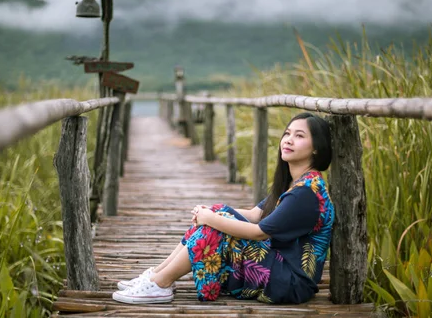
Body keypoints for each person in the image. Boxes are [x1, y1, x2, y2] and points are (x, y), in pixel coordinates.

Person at [112, 112, 335, 304]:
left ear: (317, 148)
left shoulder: (306, 192)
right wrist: (211, 212)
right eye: (287, 133)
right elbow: (257, 214)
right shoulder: (296, 182)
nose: (288, 140)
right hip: (279, 269)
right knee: (219, 212)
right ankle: (156, 276)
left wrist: (211, 219)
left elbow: (259, 232)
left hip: (290, 283)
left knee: (216, 225)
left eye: (299, 136)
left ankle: (160, 283)